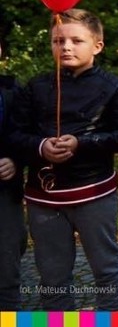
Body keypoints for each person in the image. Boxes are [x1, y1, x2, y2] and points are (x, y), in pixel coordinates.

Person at [8, 9, 118, 310]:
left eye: (76, 40)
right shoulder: (35, 86)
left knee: (106, 271)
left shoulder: (114, 87)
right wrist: (41, 146)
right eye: (58, 41)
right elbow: (15, 134)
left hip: (94, 193)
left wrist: (83, 143)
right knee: (52, 277)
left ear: (97, 45)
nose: (65, 47)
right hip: (44, 197)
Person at [0, 65, 25, 310]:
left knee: (8, 263)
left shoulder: (11, 89)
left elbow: (25, 134)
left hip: (5, 192)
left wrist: (15, 160)